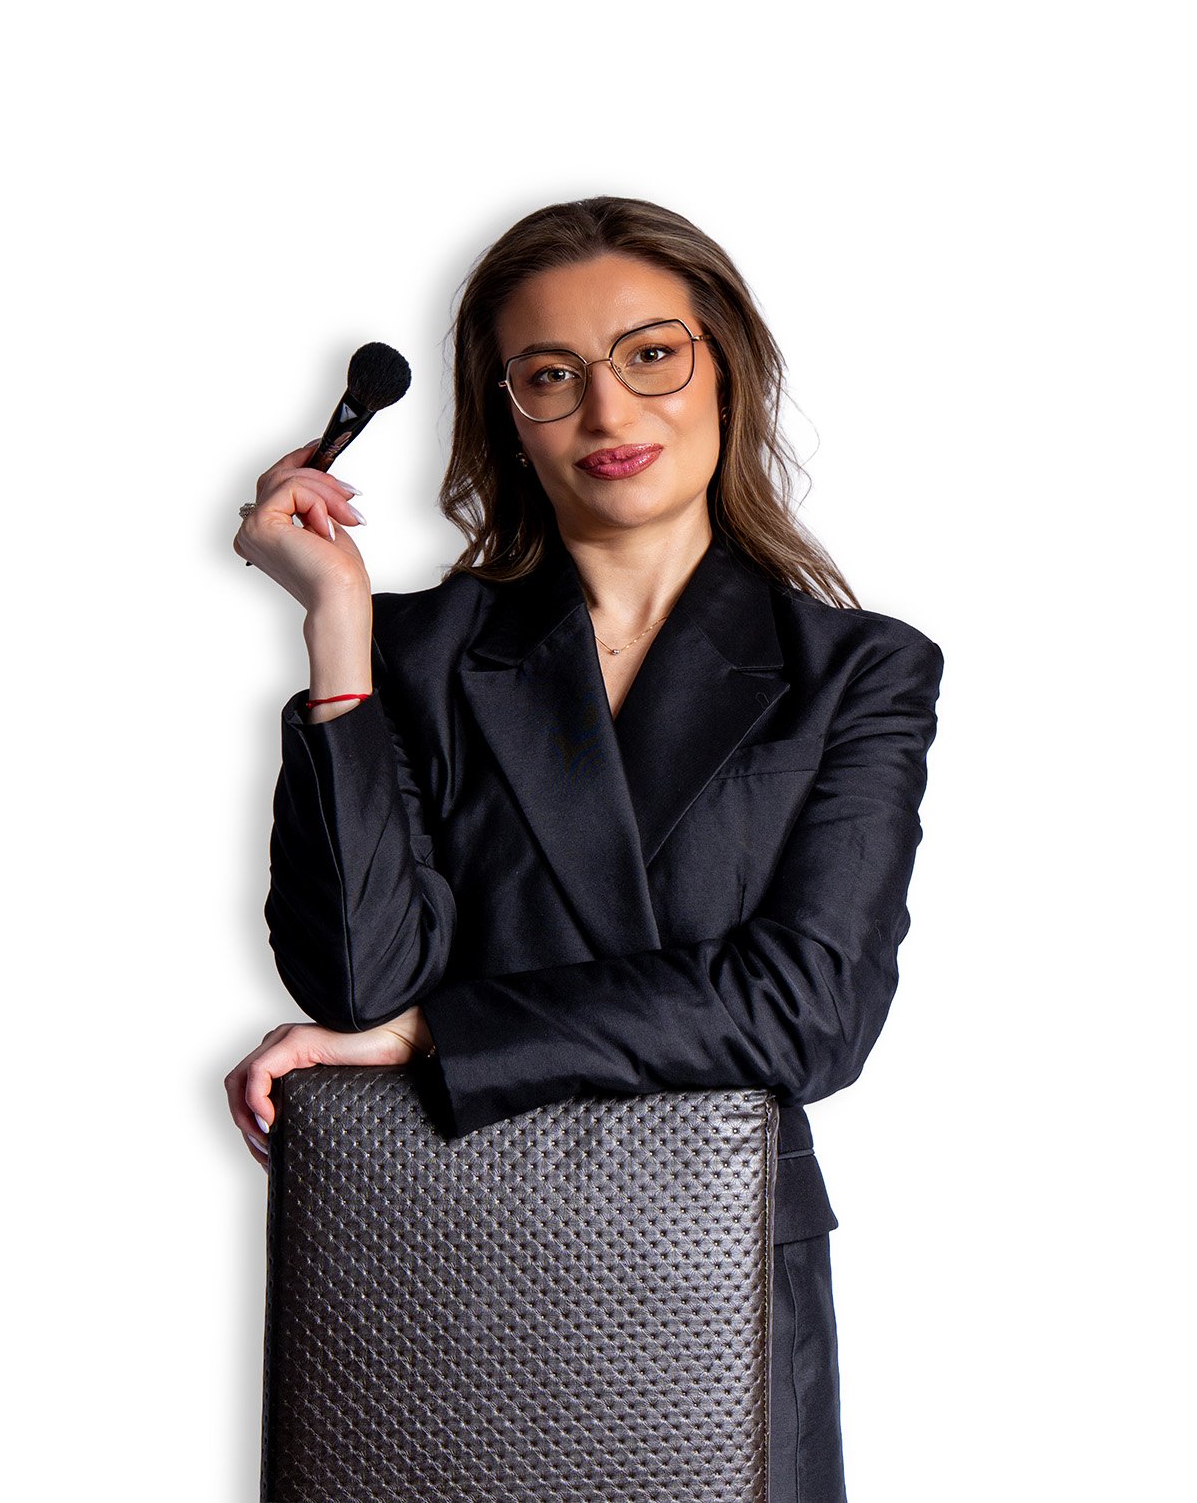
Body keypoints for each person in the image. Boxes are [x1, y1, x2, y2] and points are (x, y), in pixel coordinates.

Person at [225, 195, 944, 1502]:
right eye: (550, 375)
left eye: (650, 354)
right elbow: (358, 982)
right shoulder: (415, 654)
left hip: (714, 1283)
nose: (608, 410)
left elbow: (809, 1012)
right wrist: (336, 628)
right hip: (434, 1270)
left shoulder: (854, 671)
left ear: (726, 366)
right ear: (506, 412)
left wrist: (440, 1035)